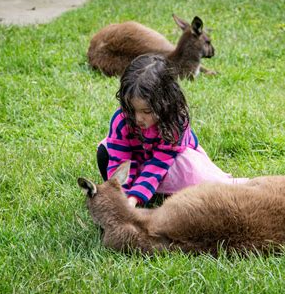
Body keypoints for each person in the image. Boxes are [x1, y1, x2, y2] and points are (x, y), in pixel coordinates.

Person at [96, 54, 248, 207]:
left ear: (165, 103)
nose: (138, 118)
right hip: (141, 156)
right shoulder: (122, 120)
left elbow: (158, 165)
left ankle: (159, 190)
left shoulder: (174, 124)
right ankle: (143, 189)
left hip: (175, 162)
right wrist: (122, 197)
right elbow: (121, 162)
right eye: (131, 109)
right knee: (105, 151)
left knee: (203, 186)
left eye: (146, 111)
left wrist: (134, 198)